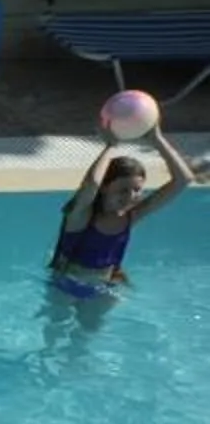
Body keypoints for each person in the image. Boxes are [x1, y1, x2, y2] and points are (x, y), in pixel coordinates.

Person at [51, 125, 193, 302]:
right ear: (104, 187)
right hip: (66, 285)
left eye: (137, 190)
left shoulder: (130, 216)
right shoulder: (80, 216)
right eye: (123, 190)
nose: (131, 196)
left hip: (105, 285)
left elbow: (183, 180)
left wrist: (157, 139)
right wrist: (111, 147)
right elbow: (91, 184)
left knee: (93, 329)